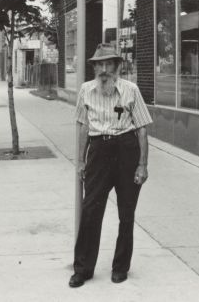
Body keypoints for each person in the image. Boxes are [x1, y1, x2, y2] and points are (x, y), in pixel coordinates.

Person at [69, 43, 153, 288]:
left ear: (117, 66)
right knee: (91, 211)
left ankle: (120, 267)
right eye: (99, 65)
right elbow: (84, 126)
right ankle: (82, 269)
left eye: (108, 64)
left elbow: (142, 129)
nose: (104, 70)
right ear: (94, 67)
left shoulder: (131, 90)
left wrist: (142, 165)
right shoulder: (86, 90)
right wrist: (81, 160)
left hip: (126, 150)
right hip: (98, 152)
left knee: (126, 213)